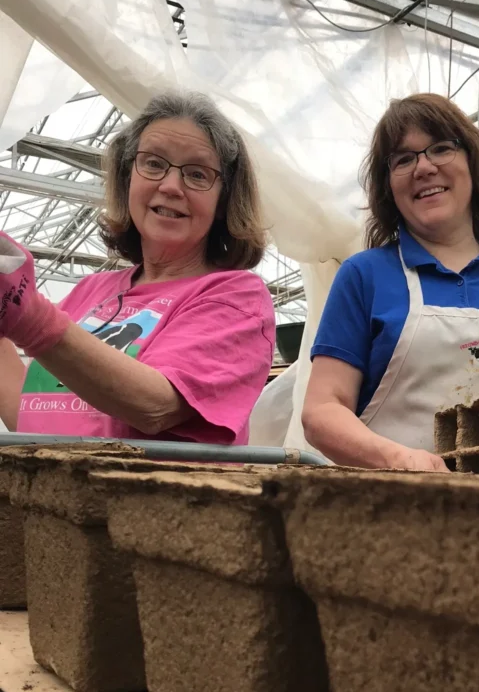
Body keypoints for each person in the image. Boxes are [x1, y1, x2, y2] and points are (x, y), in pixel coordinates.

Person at [302, 92, 479, 471]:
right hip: (396, 509)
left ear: (473, 163)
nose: (423, 168)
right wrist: (400, 459)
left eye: (441, 148)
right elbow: (322, 410)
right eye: (403, 159)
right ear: (388, 185)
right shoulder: (366, 275)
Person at [0, 91, 275, 444]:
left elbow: (156, 407)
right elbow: (29, 415)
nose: (171, 186)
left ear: (223, 200)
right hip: (50, 494)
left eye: (197, 174)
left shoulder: (237, 296)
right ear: (128, 178)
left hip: (148, 499)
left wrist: (29, 318)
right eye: (154, 164)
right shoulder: (91, 290)